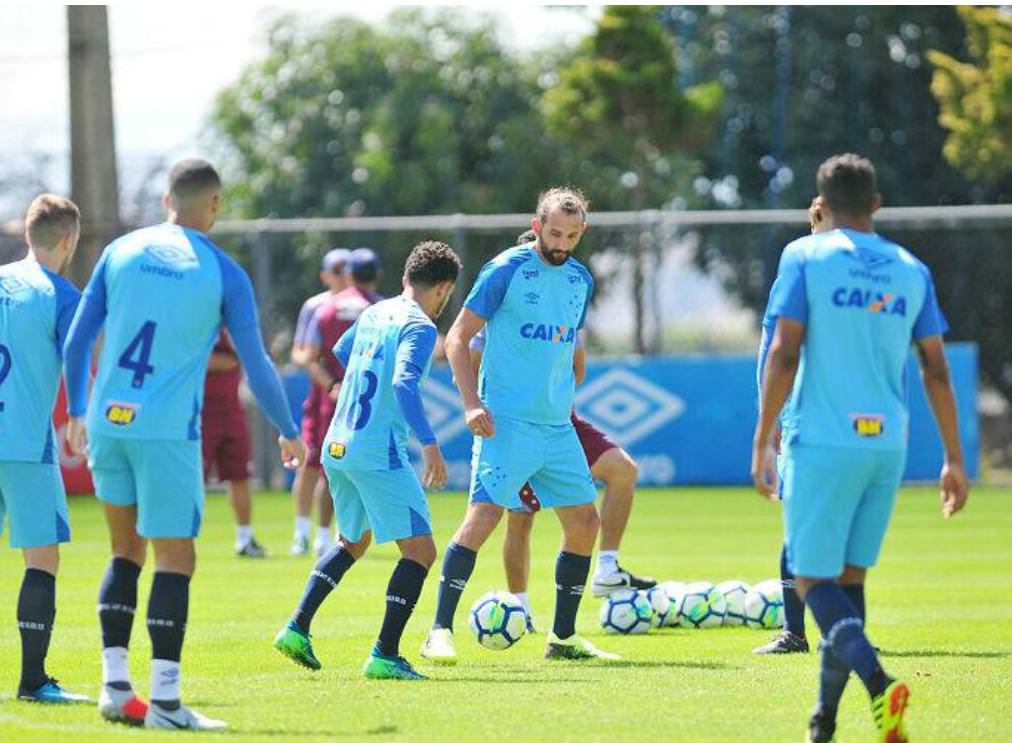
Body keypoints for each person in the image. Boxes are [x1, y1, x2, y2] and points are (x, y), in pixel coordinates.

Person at [64, 158, 305, 730]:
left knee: (124, 551)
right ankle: (167, 704)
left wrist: (77, 409)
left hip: (106, 421)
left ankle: (116, 689)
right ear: (215, 203)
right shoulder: (223, 272)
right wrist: (289, 430)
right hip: (165, 430)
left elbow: (77, 341)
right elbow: (257, 364)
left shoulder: (119, 250)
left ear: (167, 198)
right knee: (177, 557)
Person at [751, 153, 969, 743]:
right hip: (887, 445)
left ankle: (878, 685)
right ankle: (825, 723)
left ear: (820, 204)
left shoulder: (804, 256)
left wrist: (763, 435)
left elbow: (784, 351)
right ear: (876, 204)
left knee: (809, 581)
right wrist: (953, 457)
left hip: (823, 439)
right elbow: (937, 372)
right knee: (850, 584)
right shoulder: (910, 268)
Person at [421, 187, 618, 664]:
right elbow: (457, 339)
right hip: (505, 423)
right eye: (554, 233)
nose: (562, 243)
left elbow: (571, 346)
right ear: (537, 226)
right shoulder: (506, 269)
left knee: (585, 522)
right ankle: (439, 631)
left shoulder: (579, 280)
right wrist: (471, 404)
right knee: (484, 519)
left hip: (555, 426)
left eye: (572, 235)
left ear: (582, 232)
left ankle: (563, 639)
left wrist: (565, 391)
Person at [273, 240, 460, 680]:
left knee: (351, 541)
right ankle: (385, 654)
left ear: (404, 279)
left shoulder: (375, 313)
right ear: (444, 289)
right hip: (378, 449)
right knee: (420, 551)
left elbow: (340, 353)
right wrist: (429, 443)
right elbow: (403, 384)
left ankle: (297, 627)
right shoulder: (420, 326)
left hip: (337, 443)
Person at [470, 233, 655, 631]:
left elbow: (578, 363)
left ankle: (607, 566)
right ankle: (519, 607)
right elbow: (469, 353)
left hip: (560, 421)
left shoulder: (571, 293)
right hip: (515, 423)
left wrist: (555, 392)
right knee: (520, 517)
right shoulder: (503, 305)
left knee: (623, 470)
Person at [0, 195, 89, 704]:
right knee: (41, 560)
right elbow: (76, 357)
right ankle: (33, 681)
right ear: (68, 240)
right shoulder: (61, 294)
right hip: (25, 445)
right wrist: (78, 417)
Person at [752, 198, 829, 656]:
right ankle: (796, 631)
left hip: (843, 418)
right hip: (802, 414)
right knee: (799, 524)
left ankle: (837, 629)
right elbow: (771, 346)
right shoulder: (798, 264)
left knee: (837, 526)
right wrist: (772, 414)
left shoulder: (863, 266)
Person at [300, 247, 383, 556]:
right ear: (378, 275)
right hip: (371, 401)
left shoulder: (327, 308)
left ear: (349, 274)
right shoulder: (381, 308)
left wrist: (333, 385)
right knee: (375, 466)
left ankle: (322, 535)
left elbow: (309, 358)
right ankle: (360, 531)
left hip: (333, 401)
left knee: (327, 467)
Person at [288, 248, 350, 555]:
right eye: (336, 270)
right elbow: (299, 353)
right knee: (311, 461)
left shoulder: (365, 304)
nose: (342, 275)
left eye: (347, 269)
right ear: (325, 275)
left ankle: (332, 534)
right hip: (322, 396)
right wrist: (329, 380)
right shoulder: (317, 306)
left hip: (351, 396)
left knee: (339, 465)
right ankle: (301, 533)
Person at [201, 329, 264, 558]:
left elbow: (246, 356)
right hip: (198, 412)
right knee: (191, 478)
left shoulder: (231, 323)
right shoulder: (190, 317)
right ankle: (180, 535)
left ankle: (245, 539)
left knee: (240, 476)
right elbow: (194, 358)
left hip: (231, 410)